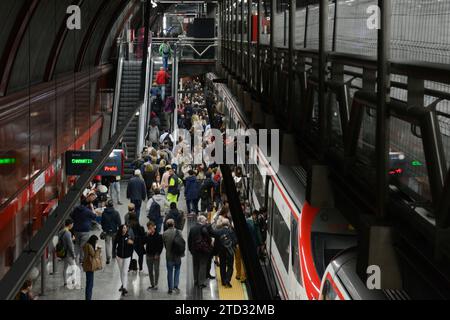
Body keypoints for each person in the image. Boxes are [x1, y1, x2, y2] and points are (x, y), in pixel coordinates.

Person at [71, 191, 98, 263]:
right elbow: (95, 216)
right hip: (85, 230)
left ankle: (74, 257)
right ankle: (81, 260)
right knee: (83, 246)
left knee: (76, 244)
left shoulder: (76, 209)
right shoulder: (87, 211)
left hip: (76, 229)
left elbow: (72, 216)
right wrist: (92, 208)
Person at [209, 218, 237, 288]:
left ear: (222, 224)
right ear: (228, 224)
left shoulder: (218, 231)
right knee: (230, 267)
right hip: (230, 251)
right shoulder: (231, 231)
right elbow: (235, 241)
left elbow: (211, 233)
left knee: (222, 266)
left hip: (221, 251)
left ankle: (223, 281)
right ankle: (227, 279)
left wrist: (210, 224)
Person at [188, 215, 212, 289]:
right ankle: (201, 283)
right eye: (205, 221)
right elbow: (208, 238)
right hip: (203, 251)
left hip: (194, 251)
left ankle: (195, 281)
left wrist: (190, 250)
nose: (206, 222)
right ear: (201, 221)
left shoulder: (192, 228)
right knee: (203, 265)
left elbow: (189, 240)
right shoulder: (203, 228)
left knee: (195, 265)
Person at [163, 219, 184, 294]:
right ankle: (176, 286)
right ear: (174, 224)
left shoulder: (164, 234)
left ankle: (170, 289)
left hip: (169, 256)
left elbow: (165, 245)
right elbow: (182, 243)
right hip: (177, 256)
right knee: (177, 270)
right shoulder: (179, 232)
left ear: (167, 225)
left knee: (169, 271)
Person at [114, 224, 135, 296]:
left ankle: (125, 288)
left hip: (127, 257)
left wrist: (132, 243)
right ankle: (123, 284)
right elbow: (114, 245)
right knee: (121, 271)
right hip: (119, 256)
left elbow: (133, 244)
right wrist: (114, 254)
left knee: (125, 271)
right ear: (121, 229)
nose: (125, 229)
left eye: (126, 228)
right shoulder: (118, 236)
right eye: (123, 228)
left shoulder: (129, 236)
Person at [101, 200, 122, 264]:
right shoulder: (116, 213)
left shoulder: (104, 213)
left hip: (107, 231)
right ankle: (113, 255)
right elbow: (119, 222)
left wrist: (103, 228)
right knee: (114, 243)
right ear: (112, 205)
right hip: (114, 230)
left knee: (107, 244)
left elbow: (102, 222)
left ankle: (108, 258)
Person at [145, 221, 163, 290]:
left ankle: (156, 284)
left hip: (156, 256)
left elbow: (160, 246)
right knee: (150, 270)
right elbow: (143, 241)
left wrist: (158, 254)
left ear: (154, 227)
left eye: (151, 227)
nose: (150, 229)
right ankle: (152, 284)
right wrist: (146, 235)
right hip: (148, 255)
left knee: (156, 270)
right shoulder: (147, 235)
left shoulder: (158, 236)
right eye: (149, 228)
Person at [82, 235, 102, 300]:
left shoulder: (86, 245)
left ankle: (88, 298)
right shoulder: (90, 246)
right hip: (90, 266)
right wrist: (98, 249)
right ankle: (88, 298)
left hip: (87, 265)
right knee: (90, 284)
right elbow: (94, 255)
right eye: (96, 242)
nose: (96, 243)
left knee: (89, 283)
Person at [59, 218, 76, 287]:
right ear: (70, 224)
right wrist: (73, 255)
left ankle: (65, 282)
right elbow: (70, 245)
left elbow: (64, 241)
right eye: (72, 224)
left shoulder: (61, 231)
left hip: (63, 252)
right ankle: (73, 281)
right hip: (68, 254)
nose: (73, 225)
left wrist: (71, 239)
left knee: (65, 268)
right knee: (74, 268)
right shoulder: (68, 233)